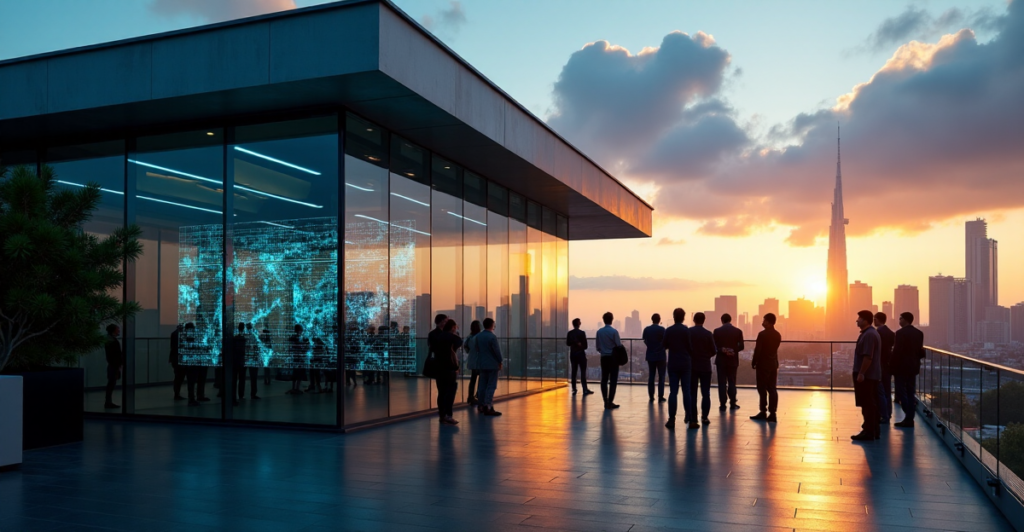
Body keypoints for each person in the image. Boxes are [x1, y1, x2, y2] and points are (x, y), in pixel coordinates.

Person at [852, 310, 882, 441]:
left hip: (867, 376)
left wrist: (861, 373)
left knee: (867, 403)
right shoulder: (869, 333)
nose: (857, 320)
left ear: (865, 320)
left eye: (859, 318)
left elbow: (868, 357)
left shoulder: (869, 335)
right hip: (870, 375)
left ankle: (868, 431)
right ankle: (873, 430)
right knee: (870, 403)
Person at [892, 312, 925, 428]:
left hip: (901, 367)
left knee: (901, 392)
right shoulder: (919, 333)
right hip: (914, 366)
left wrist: (892, 366)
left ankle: (909, 416)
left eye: (900, 318)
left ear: (905, 320)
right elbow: (920, 351)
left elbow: (897, 352)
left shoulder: (900, 333)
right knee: (911, 392)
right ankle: (909, 417)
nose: (899, 320)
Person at [662, 308, 694, 429]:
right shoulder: (686, 330)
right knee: (686, 391)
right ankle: (689, 417)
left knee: (673, 392)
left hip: (673, 363)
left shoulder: (669, 330)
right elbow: (690, 347)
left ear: (674, 316)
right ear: (683, 317)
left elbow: (664, 345)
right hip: (685, 363)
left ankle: (672, 419)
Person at [750, 313, 781, 423]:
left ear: (768, 322)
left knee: (762, 388)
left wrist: (754, 362)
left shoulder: (762, 335)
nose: (762, 322)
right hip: (773, 364)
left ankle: (763, 410)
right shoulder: (778, 335)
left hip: (763, 365)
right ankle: (772, 413)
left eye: (764, 320)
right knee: (772, 388)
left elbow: (758, 350)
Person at [689, 312, 717, 426]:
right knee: (706, 393)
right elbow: (714, 350)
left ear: (693, 320)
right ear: (704, 320)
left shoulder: (689, 333)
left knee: (692, 394)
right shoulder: (708, 334)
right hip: (705, 366)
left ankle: (693, 418)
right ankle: (705, 417)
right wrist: (706, 356)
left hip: (692, 366)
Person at [434, 319, 462, 425]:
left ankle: (442, 415)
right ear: (453, 327)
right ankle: (448, 415)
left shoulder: (438, 336)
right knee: (450, 392)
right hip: (449, 368)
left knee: (441, 393)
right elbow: (459, 342)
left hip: (439, 368)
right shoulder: (452, 338)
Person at [713, 313, 744, 411]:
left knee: (722, 382)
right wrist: (732, 351)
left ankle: (722, 404)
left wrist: (723, 350)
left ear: (722, 320)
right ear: (731, 320)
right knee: (732, 382)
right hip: (733, 360)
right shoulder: (738, 331)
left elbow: (713, 346)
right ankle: (733, 402)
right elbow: (741, 346)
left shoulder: (717, 331)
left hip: (721, 361)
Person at [474, 318, 503, 416]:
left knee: (482, 385)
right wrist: (500, 361)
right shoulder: (492, 337)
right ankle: (488, 406)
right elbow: (496, 351)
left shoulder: (478, 336)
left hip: (482, 363)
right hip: (492, 364)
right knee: (491, 385)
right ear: (492, 325)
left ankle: (481, 405)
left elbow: (476, 348)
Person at [595, 312, 623, 410]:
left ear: (603, 320)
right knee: (613, 380)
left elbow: (598, 347)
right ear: (612, 319)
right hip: (613, 358)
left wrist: (603, 351)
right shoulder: (614, 332)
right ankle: (610, 401)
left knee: (604, 379)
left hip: (604, 358)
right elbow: (618, 345)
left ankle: (605, 401)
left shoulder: (599, 332)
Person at [874, 312, 895, 424]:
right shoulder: (891, 333)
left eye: (874, 319)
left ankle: (883, 414)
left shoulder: (877, 333)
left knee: (880, 390)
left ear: (877, 320)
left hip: (879, 364)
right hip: (888, 364)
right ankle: (888, 413)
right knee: (887, 390)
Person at [642, 313, 667, 403]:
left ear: (652, 319)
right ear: (659, 320)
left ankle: (651, 396)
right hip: (661, 355)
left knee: (651, 376)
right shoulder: (662, 330)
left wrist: (650, 346)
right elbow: (666, 341)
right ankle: (660, 396)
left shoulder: (647, 329)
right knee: (661, 376)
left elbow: (645, 340)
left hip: (650, 355)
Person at [183, 323, 208, 406]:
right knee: (193, 381)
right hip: (194, 362)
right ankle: (194, 397)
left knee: (192, 381)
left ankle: (194, 397)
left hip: (193, 363)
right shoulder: (190, 338)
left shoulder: (186, 338)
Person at [566, 318, 593, 395]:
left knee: (574, 371)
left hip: (573, 354)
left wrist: (573, 343)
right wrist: (579, 345)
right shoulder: (582, 333)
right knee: (583, 372)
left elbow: (567, 343)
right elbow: (585, 346)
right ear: (578, 323)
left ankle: (574, 388)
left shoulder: (570, 333)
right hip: (580, 354)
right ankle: (584, 389)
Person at [104, 323, 123, 409]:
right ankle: (108, 402)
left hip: (113, 365)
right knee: (111, 383)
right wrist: (118, 364)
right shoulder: (112, 341)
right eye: (117, 329)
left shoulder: (109, 340)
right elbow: (115, 355)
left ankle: (108, 402)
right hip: (113, 365)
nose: (119, 330)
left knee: (111, 383)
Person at [465, 320, 482, 406]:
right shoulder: (479, 337)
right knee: (481, 379)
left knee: (473, 379)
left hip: (472, 360)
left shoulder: (469, 337)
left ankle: (470, 396)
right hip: (479, 360)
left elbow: (466, 349)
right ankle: (478, 396)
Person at [287, 325, 306, 395]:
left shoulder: (293, 337)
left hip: (296, 358)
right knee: (298, 374)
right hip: (298, 358)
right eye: (301, 330)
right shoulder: (299, 338)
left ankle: (294, 388)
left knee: (296, 373)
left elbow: (290, 347)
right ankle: (296, 388)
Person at [231, 322, 246, 406]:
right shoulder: (243, 338)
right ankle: (240, 395)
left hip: (236, 362)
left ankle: (234, 397)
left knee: (234, 380)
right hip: (240, 362)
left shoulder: (235, 338)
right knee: (241, 379)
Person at [169, 324, 186, 401]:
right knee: (179, 377)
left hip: (175, 359)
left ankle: (177, 393)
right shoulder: (179, 335)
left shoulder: (174, 334)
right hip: (178, 359)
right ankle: (177, 394)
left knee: (178, 377)